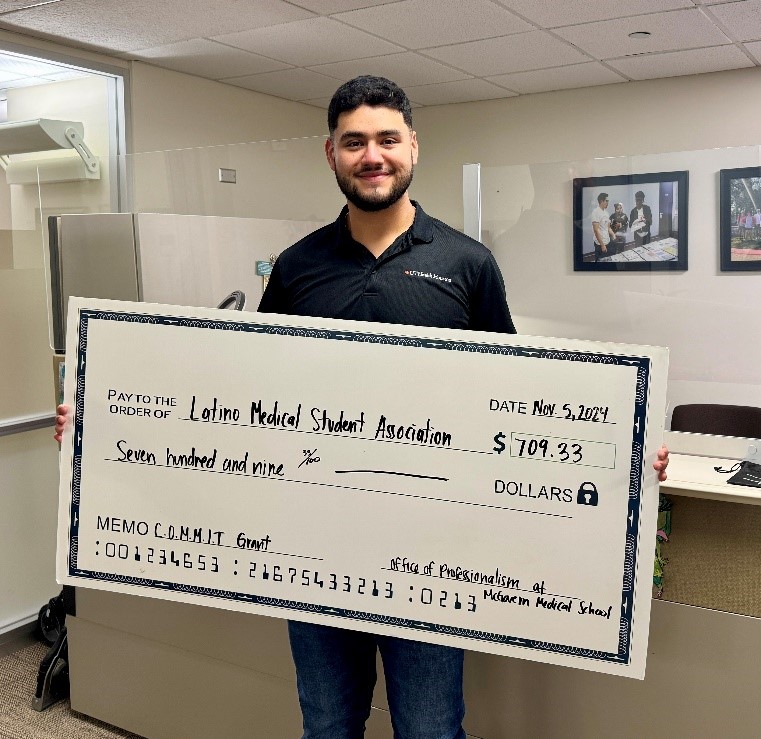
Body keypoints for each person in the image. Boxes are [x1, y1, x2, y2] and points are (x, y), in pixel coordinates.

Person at [55, 75, 670, 739]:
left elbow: (515, 400)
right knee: (327, 724)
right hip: (313, 550)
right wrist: (107, 425)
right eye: (354, 142)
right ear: (331, 154)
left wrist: (621, 449)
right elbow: (243, 394)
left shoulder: (468, 264)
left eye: (385, 139)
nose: (370, 155)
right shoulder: (295, 267)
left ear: (412, 147)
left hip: (432, 553)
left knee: (430, 729)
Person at [590, 192, 617, 261]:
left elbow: (608, 228)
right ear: (601, 201)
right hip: (600, 244)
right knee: (600, 263)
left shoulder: (606, 213)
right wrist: (602, 245)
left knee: (607, 260)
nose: (608, 203)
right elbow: (596, 230)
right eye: (606, 201)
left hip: (607, 241)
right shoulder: (596, 212)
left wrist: (613, 235)